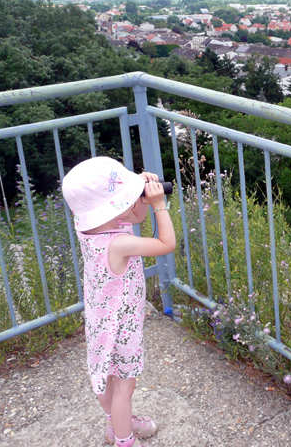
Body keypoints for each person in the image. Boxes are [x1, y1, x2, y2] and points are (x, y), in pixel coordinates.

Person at [62, 157, 176, 447]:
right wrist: (159, 205)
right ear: (116, 209)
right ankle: (125, 440)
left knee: (108, 380)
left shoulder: (87, 227)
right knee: (125, 387)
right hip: (121, 327)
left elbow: (122, 214)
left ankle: (115, 424)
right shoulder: (119, 243)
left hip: (101, 323)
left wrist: (136, 185)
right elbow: (167, 244)